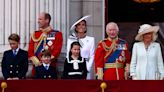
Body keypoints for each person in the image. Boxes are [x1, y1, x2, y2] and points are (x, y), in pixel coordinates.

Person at [28, 12, 63, 77]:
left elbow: (57, 51)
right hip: (37, 68)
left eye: (40, 19)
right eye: (38, 19)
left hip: (50, 68)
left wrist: (46, 61)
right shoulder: (35, 34)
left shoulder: (57, 34)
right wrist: (37, 62)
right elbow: (30, 51)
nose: (38, 21)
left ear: (47, 20)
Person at [67, 15, 95, 80]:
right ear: (76, 28)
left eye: (83, 24)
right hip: (74, 66)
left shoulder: (91, 39)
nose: (81, 26)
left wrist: (88, 67)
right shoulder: (71, 39)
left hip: (86, 66)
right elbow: (68, 55)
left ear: (85, 27)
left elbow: (92, 55)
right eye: (79, 25)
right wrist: (70, 67)